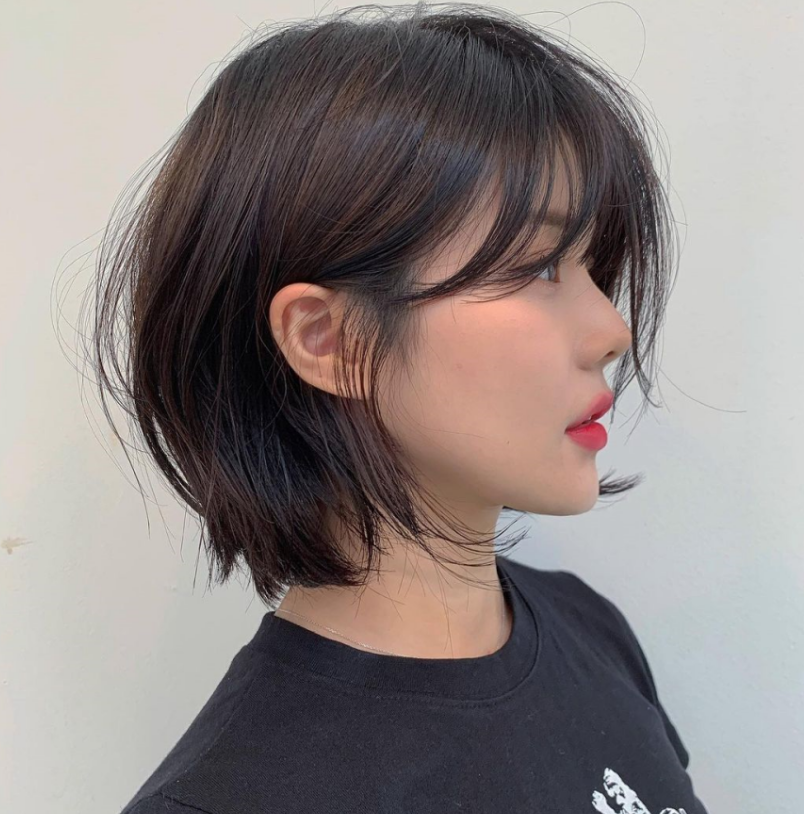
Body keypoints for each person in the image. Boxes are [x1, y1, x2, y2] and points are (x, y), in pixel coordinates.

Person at [88, 3, 708, 812]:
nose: (612, 331)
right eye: (539, 267)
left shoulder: (589, 630)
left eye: (595, 266)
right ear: (329, 339)